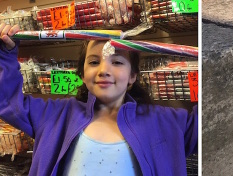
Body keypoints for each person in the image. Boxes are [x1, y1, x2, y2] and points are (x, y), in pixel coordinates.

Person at [0, 24, 198, 175]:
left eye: (117, 62)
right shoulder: (54, 116)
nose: (104, 70)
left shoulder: (168, 123)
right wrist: (5, 55)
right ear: (83, 73)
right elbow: (7, 100)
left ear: (132, 76)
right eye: (94, 62)